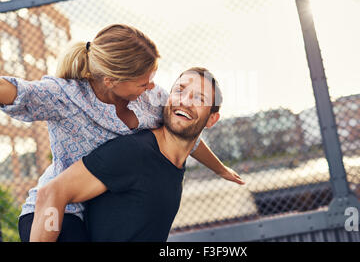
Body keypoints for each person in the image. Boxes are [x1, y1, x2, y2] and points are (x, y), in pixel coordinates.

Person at [0, 24, 244, 242]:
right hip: (58, 211)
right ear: (111, 81)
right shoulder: (64, 97)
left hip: (98, 207)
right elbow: (16, 91)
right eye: (143, 82)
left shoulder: (150, 98)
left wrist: (220, 169)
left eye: (153, 78)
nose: (151, 86)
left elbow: (187, 132)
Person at [30, 67, 233, 242]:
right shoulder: (133, 152)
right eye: (179, 90)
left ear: (212, 119)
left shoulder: (174, 164)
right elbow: (52, 192)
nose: (185, 101)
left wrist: (222, 170)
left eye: (199, 98)